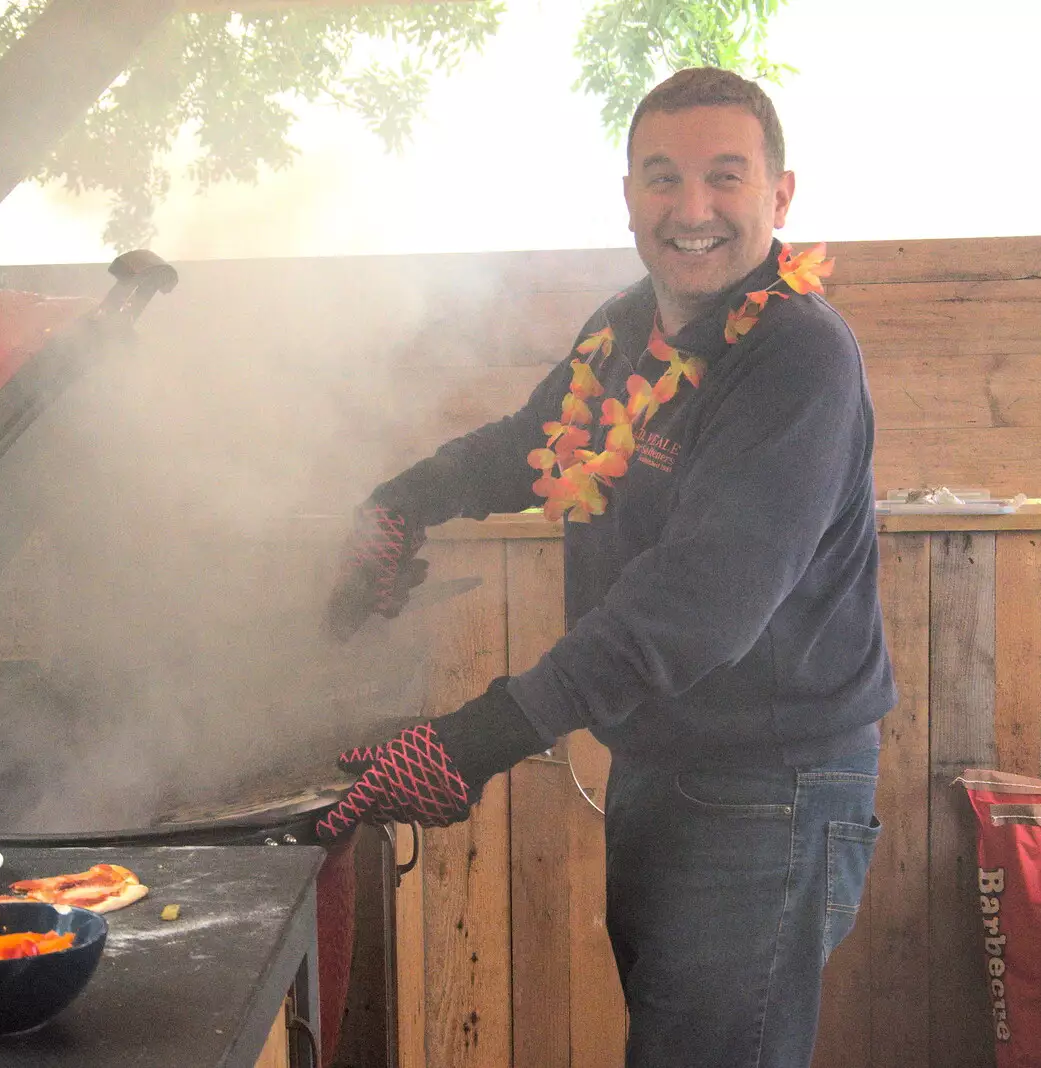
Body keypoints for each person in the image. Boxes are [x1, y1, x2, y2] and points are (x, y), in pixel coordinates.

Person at [317, 66, 895, 1068]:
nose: (693, 209)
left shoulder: (796, 356)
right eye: (663, 178)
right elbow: (526, 441)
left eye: (725, 177)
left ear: (780, 196)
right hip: (661, 761)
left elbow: (699, 605)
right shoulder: (626, 329)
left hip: (771, 784)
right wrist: (399, 504)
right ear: (629, 194)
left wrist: (478, 736)